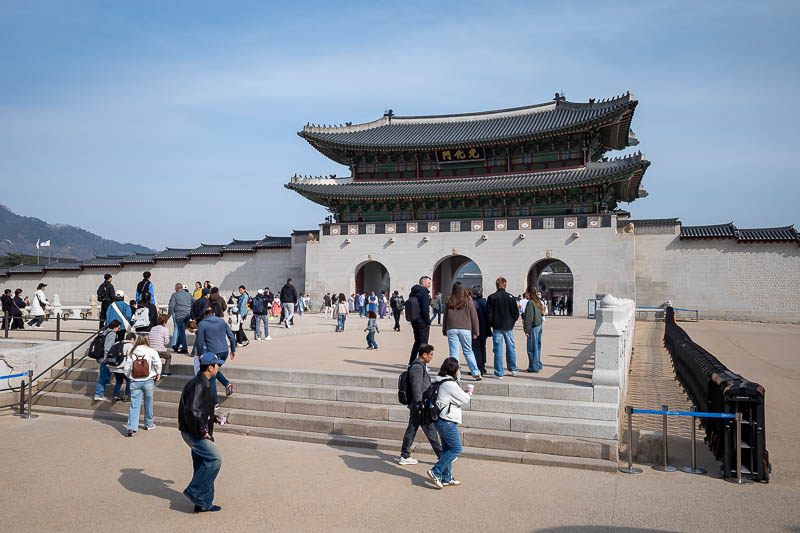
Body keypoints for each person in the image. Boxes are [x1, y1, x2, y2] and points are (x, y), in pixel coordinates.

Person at [178, 352, 225, 513]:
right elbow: (192, 410)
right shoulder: (199, 384)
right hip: (195, 432)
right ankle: (195, 490)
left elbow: (199, 409)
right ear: (210, 367)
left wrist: (213, 418)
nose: (218, 367)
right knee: (215, 458)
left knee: (202, 464)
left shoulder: (203, 382)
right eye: (217, 365)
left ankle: (203, 503)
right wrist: (203, 430)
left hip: (194, 429)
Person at [427, 357, 471, 489]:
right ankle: (436, 471)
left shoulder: (441, 380)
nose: (459, 371)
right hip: (447, 421)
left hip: (441, 419)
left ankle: (446, 477)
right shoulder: (449, 384)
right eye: (459, 368)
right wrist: (469, 392)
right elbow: (464, 399)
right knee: (456, 449)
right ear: (454, 369)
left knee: (447, 449)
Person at [398, 344, 443, 465]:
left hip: (419, 404)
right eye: (431, 354)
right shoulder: (417, 367)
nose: (432, 357)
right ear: (424, 354)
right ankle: (441, 455)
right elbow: (416, 387)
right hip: (420, 405)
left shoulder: (420, 365)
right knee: (430, 430)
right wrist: (419, 404)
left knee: (412, 429)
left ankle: (405, 455)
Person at [194, 307, 236, 405]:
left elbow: (199, 342)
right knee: (214, 370)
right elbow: (231, 337)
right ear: (213, 314)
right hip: (224, 351)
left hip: (212, 353)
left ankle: (215, 403)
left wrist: (200, 355)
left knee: (211, 376)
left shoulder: (202, 324)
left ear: (205, 315)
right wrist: (233, 350)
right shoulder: (222, 322)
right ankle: (227, 384)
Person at [123, 335, 162, 436]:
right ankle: (148, 424)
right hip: (148, 379)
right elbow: (158, 363)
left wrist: (129, 376)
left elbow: (127, 367)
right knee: (148, 402)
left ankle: (131, 427)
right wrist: (158, 373)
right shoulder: (151, 351)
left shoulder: (132, 351)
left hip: (134, 380)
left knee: (134, 404)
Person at [442, 282, 481, 380]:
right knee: (468, 351)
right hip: (465, 328)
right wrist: (476, 331)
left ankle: (456, 375)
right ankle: (475, 372)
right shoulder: (468, 301)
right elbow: (474, 317)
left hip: (452, 328)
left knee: (454, 353)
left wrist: (444, 329)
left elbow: (445, 316)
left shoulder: (449, 300)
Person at [486, 277, 519, 378]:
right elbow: (516, 313)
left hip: (497, 326)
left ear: (496, 285)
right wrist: (512, 322)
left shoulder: (492, 297)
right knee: (511, 347)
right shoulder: (511, 297)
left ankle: (499, 372)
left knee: (498, 349)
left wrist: (491, 323)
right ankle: (513, 369)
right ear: (505, 285)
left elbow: (489, 314)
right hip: (508, 326)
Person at [93, 320, 121, 401]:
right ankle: (99, 394)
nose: (119, 328)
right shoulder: (112, 333)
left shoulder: (105, 332)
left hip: (100, 356)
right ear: (115, 326)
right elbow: (108, 347)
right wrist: (106, 358)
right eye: (118, 327)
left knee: (106, 373)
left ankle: (106, 381)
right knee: (103, 376)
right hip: (104, 357)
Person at [407, 276, 432, 365]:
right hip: (422, 321)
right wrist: (428, 322)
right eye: (428, 283)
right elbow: (425, 309)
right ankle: (422, 364)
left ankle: (411, 362)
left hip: (414, 320)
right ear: (423, 283)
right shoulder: (424, 293)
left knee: (417, 342)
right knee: (424, 344)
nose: (429, 285)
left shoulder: (413, 292)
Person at [522, 286, 545, 373]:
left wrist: (527, 330)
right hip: (539, 326)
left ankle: (533, 367)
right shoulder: (537, 302)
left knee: (531, 348)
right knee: (537, 347)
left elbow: (529, 318)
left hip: (534, 327)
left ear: (529, 293)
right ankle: (538, 364)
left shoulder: (530, 303)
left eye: (526, 292)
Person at [107, 332, 135, 403]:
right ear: (132, 339)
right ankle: (127, 396)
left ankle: (115, 396)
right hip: (122, 366)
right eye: (134, 340)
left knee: (119, 381)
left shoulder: (118, 343)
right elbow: (129, 357)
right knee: (129, 380)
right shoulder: (130, 345)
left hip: (114, 366)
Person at [471, 286, 491, 376]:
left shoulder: (473, 302)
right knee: (483, 347)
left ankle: (479, 368)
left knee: (476, 349)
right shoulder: (485, 302)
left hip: (476, 329)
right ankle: (483, 366)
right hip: (485, 329)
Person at [168, 283, 193, 354]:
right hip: (188, 315)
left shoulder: (174, 295)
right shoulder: (189, 294)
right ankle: (176, 346)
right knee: (181, 330)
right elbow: (194, 302)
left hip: (179, 316)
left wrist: (169, 315)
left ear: (176, 288)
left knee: (181, 331)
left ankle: (184, 348)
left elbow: (171, 306)